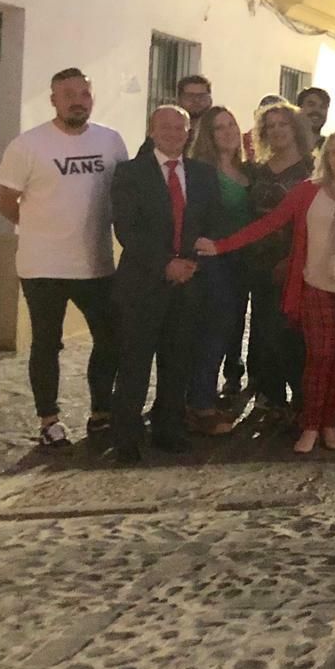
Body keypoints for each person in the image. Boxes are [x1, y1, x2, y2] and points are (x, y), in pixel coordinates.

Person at [200, 130, 335, 454]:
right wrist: (221, 246)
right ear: (326, 157)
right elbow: (269, 224)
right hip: (315, 286)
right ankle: (310, 424)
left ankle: (330, 423)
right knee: (319, 356)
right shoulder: (307, 193)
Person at [0, 67, 128, 447]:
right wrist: (35, 225)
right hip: (42, 266)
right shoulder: (29, 145)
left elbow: (122, 194)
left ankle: (101, 413)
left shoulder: (111, 141)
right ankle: (49, 420)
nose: (77, 99)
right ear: (53, 100)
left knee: (110, 338)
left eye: (84, 92)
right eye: (68, 93)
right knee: (47, 344)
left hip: (96, 263)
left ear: (92, 97)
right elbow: (3, 197)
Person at [109, 105, 222, 463]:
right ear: (152, 130)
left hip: (189, 283)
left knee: (177, 363)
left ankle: (168, 430)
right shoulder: (130, 173)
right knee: (134, 363)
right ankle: (125, 436)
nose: (174, 133)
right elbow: (127, 230)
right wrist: (164, 264)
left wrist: (192, 263)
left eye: (181, 127)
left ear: (189, 132)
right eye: (166, 127)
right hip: (143, 283)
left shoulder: (203, 174)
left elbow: (212, 223)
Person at [242, 101, 317, 420]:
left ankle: (304, 396)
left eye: (282, 124)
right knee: (265, 331)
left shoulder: (314, 169)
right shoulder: (255, 169)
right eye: (269, 126)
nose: (276, 131)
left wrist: (294, 259)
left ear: (295, 128)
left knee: (297, 334)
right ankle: (270, 396)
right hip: (259, 264)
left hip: (301, 262)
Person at [186, 107, 256, 431]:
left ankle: (205, 396)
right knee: (212, 331)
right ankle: (200, 404)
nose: (227, 132)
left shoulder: (247, 169)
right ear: (208, 136)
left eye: (231, 125)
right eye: (218, 128)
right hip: (212, 261)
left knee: (229, 332)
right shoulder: (201, 171)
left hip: (241, 261)